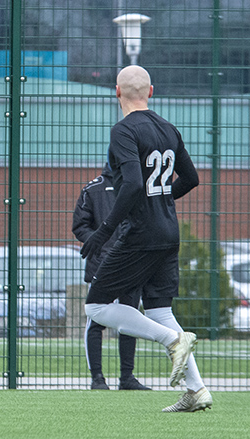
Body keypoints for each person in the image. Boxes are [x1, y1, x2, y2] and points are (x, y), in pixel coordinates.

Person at [81, 65, 211, 412]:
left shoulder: (123, 130)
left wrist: (104, 231)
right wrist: (163, 201)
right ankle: (197, 391)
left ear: (117, 92)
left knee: (95, 306)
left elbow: (136, 184)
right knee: (160, 309)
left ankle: (173, 341)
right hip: (169, 231)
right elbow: (192, 178)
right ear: (150, 92)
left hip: (140, 233)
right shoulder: (168, 129)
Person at [72, 163, 150, 391]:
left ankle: (127, 377)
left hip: (131, 264)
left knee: (130, 320)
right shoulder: (93, 189)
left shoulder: (139, 188)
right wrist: (101, 243)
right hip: (102, 266)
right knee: (96, 321)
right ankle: (97, 378)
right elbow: (79, 226)